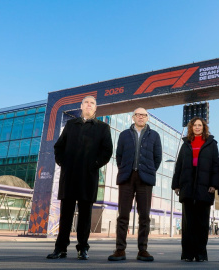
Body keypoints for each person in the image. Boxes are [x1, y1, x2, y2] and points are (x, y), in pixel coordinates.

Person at [47, 95, 113, 260]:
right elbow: (59, 146)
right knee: (66, 215)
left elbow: (107, 151)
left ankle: (82, 248)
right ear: (81, 106)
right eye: (86, 103)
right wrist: (63, 162)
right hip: (69, 176)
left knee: (85, 215)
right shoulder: (70, 125)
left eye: (92, 103)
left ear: (95, 108)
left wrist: (94, 164)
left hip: (88, 177)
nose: (89, 105)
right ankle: (60, 248)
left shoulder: (103, 127)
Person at [108, 107, 162, 262]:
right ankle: (120, 250)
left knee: (144, 216)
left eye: (144, 115)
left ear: (147, 118)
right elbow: (119, 155)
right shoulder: (124, 134)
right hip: (127, 178)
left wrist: (148, 170)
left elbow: (157, 158)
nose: (141, 117)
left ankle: (143, 250)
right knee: (123, 215)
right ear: (133, 117)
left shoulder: (154, 135)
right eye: (138, 114)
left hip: (145, 179)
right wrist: (126, 169)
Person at [171, 117, 219, 262]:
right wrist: (176, 185)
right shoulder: (185, 144)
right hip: (187, 186)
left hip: (205, 187)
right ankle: (187, 254)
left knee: (202, 224)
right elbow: (179, 165)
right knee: (188, 224)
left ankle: (200, 254)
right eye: (194, 125)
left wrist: (214, 184)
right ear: (191, 128)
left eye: (200, 125)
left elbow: (216, 166)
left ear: (204, 127)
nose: (197, 127)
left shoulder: (211, 144)